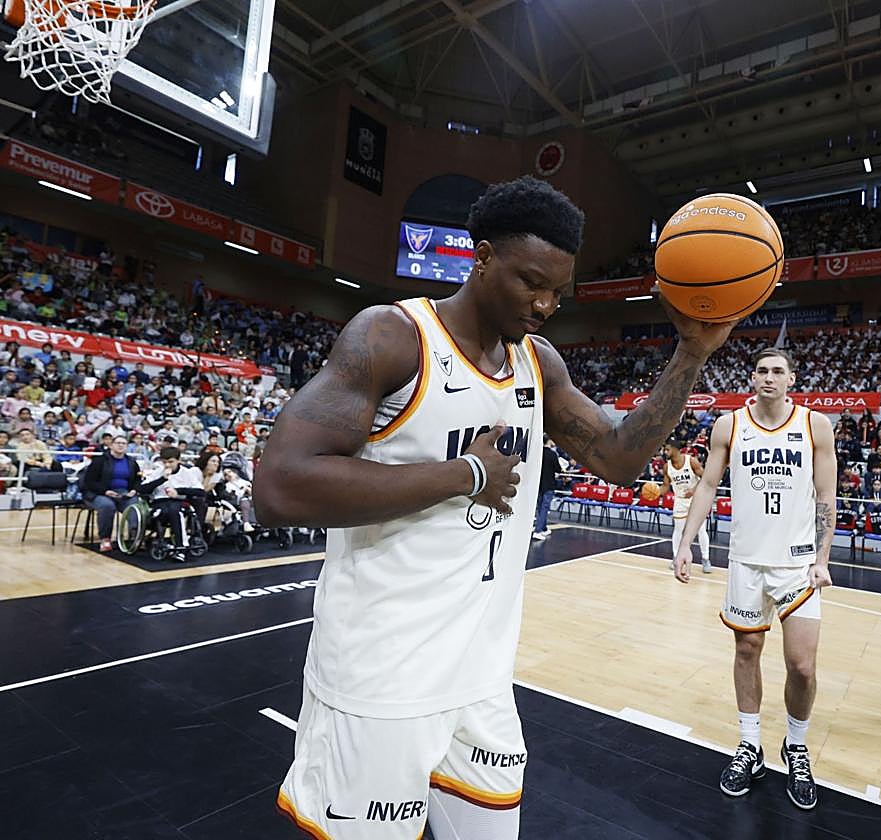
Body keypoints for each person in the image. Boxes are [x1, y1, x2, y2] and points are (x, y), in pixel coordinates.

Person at [252, 176, 734, 840]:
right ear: (481, 258)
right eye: (531, 283)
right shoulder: (392, 336)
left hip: (481, 677)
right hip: (379, 677)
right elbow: (279, 486)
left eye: (558, 292)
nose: (545, 305)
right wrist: (465, 474)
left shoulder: (539, 363)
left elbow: (620, 459)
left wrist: (692, 352)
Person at [671, 347, 836, 811]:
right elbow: (707, 485)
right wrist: (685, 543)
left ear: (791, 379)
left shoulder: (815, 425)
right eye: (762, 370)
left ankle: (796, 746)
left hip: (797, 564)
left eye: (778, 371)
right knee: (747, 650)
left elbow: (826, 494)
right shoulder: (729, 425)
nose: (769, 377)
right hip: (746, 561)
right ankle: (749, 744)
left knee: (802, 666)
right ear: (752, 378)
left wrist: (822, 557)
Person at [141, 446, 206, 561]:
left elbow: (200, 491)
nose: (167, 465)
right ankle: (179, 545)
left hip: (179, 502)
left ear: (178, 460)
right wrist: (162, 479)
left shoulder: (187, 473)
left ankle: (181, 546)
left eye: (171, 462)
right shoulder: (157, 473)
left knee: (176, 509)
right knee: (170, 510)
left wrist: (178, 491)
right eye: (164, 462)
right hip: (160, 503)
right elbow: (142, 489)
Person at [80, 435, 142, 552]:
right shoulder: (99, 460)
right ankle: (105, 539)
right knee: (107, 506)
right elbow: (89, 481)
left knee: (135, 506)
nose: (121, 445)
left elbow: (137, 480)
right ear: (111, 445)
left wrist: (134, 490)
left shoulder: (132, 462)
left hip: (123, 493)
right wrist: (105, 491)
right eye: (118, 443)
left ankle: (134, 537)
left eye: (123, 443)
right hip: (100, 493)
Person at [662, 437, 710, 573]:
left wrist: (693, 490)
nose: (665, 452)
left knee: (701, 530)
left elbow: (706, 478)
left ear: (675, 449)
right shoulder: (667, 467)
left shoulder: (691, 461)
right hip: (680, 500)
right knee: (678, 530)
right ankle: (676, 558)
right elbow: (665, 486)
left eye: (667, 449)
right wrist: (654, 492)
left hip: (697, 499)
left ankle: (705, 559)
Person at [531, 435, 558, 540]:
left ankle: (543, 528)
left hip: (539, 484)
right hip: (549, 484)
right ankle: (537, 531)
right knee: (544, 508)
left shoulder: (538, 453)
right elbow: (558, 468)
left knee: (540, 507)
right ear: (549, 441)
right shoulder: (552, 454)